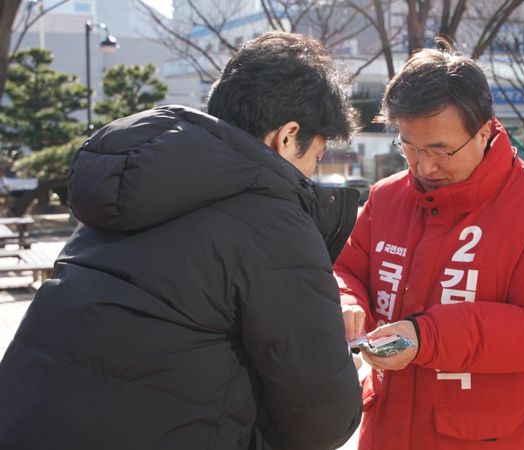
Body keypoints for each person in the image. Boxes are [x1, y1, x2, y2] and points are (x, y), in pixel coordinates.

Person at [0, 31, 362, 450]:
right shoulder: (274, 221)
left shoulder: (133, 189)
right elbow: (323, 421)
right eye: (315, 157)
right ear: (286, 136)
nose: (311, 175)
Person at [335, 39, 524, 449]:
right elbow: (348, 269)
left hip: (481, 435)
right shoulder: (387, 197)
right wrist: (348, 303)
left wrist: (427, 338)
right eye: (410, 148)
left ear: (485, 130)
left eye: (441, 150)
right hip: (386, 429)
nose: (424, 166)